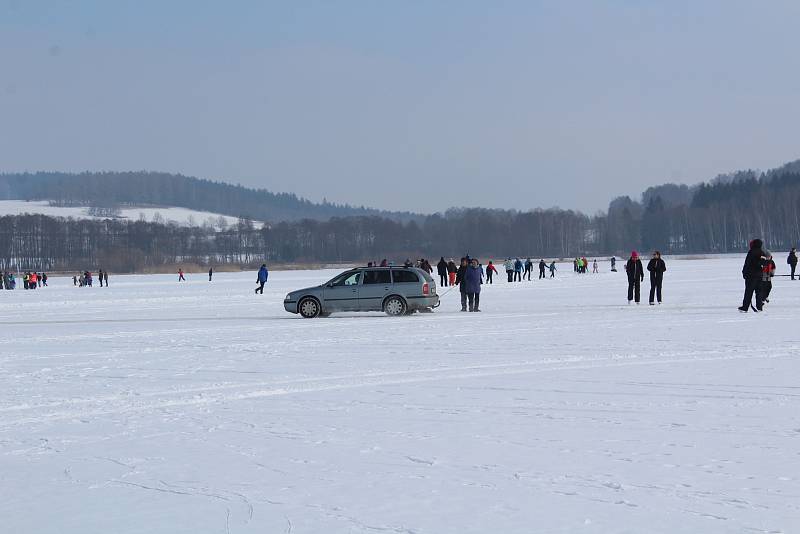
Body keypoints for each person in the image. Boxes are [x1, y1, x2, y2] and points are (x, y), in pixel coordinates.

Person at [739, 239, 765, 313]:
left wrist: (744, 272)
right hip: (760, 274)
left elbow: (747, 263)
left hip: (751, 275)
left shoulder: (751, 252)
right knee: (759, 292)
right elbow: (764, 263)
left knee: (748, 292)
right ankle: (759, 307)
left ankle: (745, 307)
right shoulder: (762, 252)